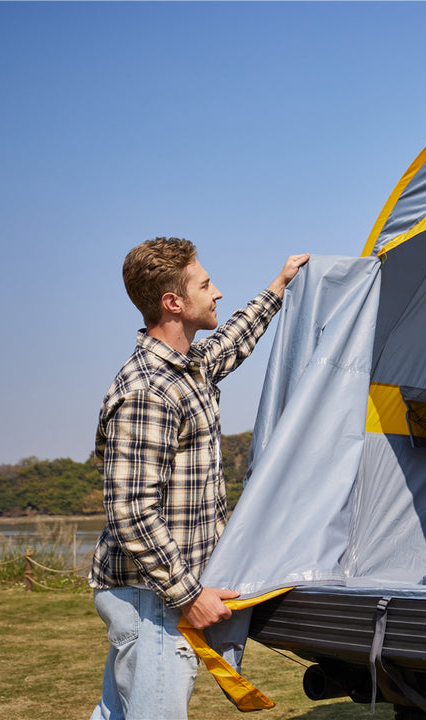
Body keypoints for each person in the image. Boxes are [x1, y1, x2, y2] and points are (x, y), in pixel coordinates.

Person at [88, 237, 309, 720]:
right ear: (173, 303)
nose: (218, 293)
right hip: (154, 600)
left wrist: (280, 285)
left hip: (154, 594)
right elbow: (131, 513)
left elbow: (230, 342)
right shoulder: (148, 391)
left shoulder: (189, 370)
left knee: (116, 714)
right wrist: (189, 595)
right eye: (205, 284)